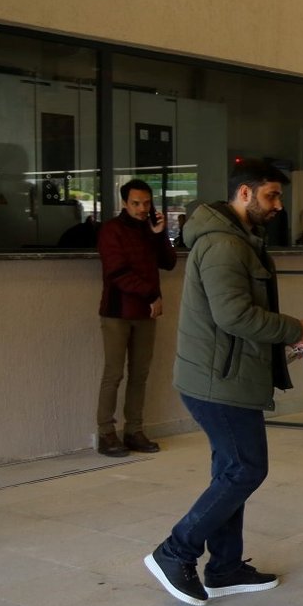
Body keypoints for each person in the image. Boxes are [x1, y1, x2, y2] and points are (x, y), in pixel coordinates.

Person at [143, 159, 303, 606]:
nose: (278, 205)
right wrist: (292, 328)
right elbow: (234, 316)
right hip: (217, 382)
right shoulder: (224, 244)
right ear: (244, 194)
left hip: (226, 374)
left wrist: (284, 343)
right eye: (271, 195)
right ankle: (175, 551)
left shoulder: (239, 241)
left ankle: (224, 567)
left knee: (231, 469)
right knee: (246, 468)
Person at [95, 179, 177, 457]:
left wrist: (159, 234)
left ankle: (134, 430)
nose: (142, 208)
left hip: (145, 314)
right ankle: (106, 433)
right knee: (114, 373)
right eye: (136, 203)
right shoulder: (111, 230)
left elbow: (168, 262)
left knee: (140, 374)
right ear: (124, 203)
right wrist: (153, 294)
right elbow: (117, 274)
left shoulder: (149, 230)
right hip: (118, 312)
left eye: (146, 203)